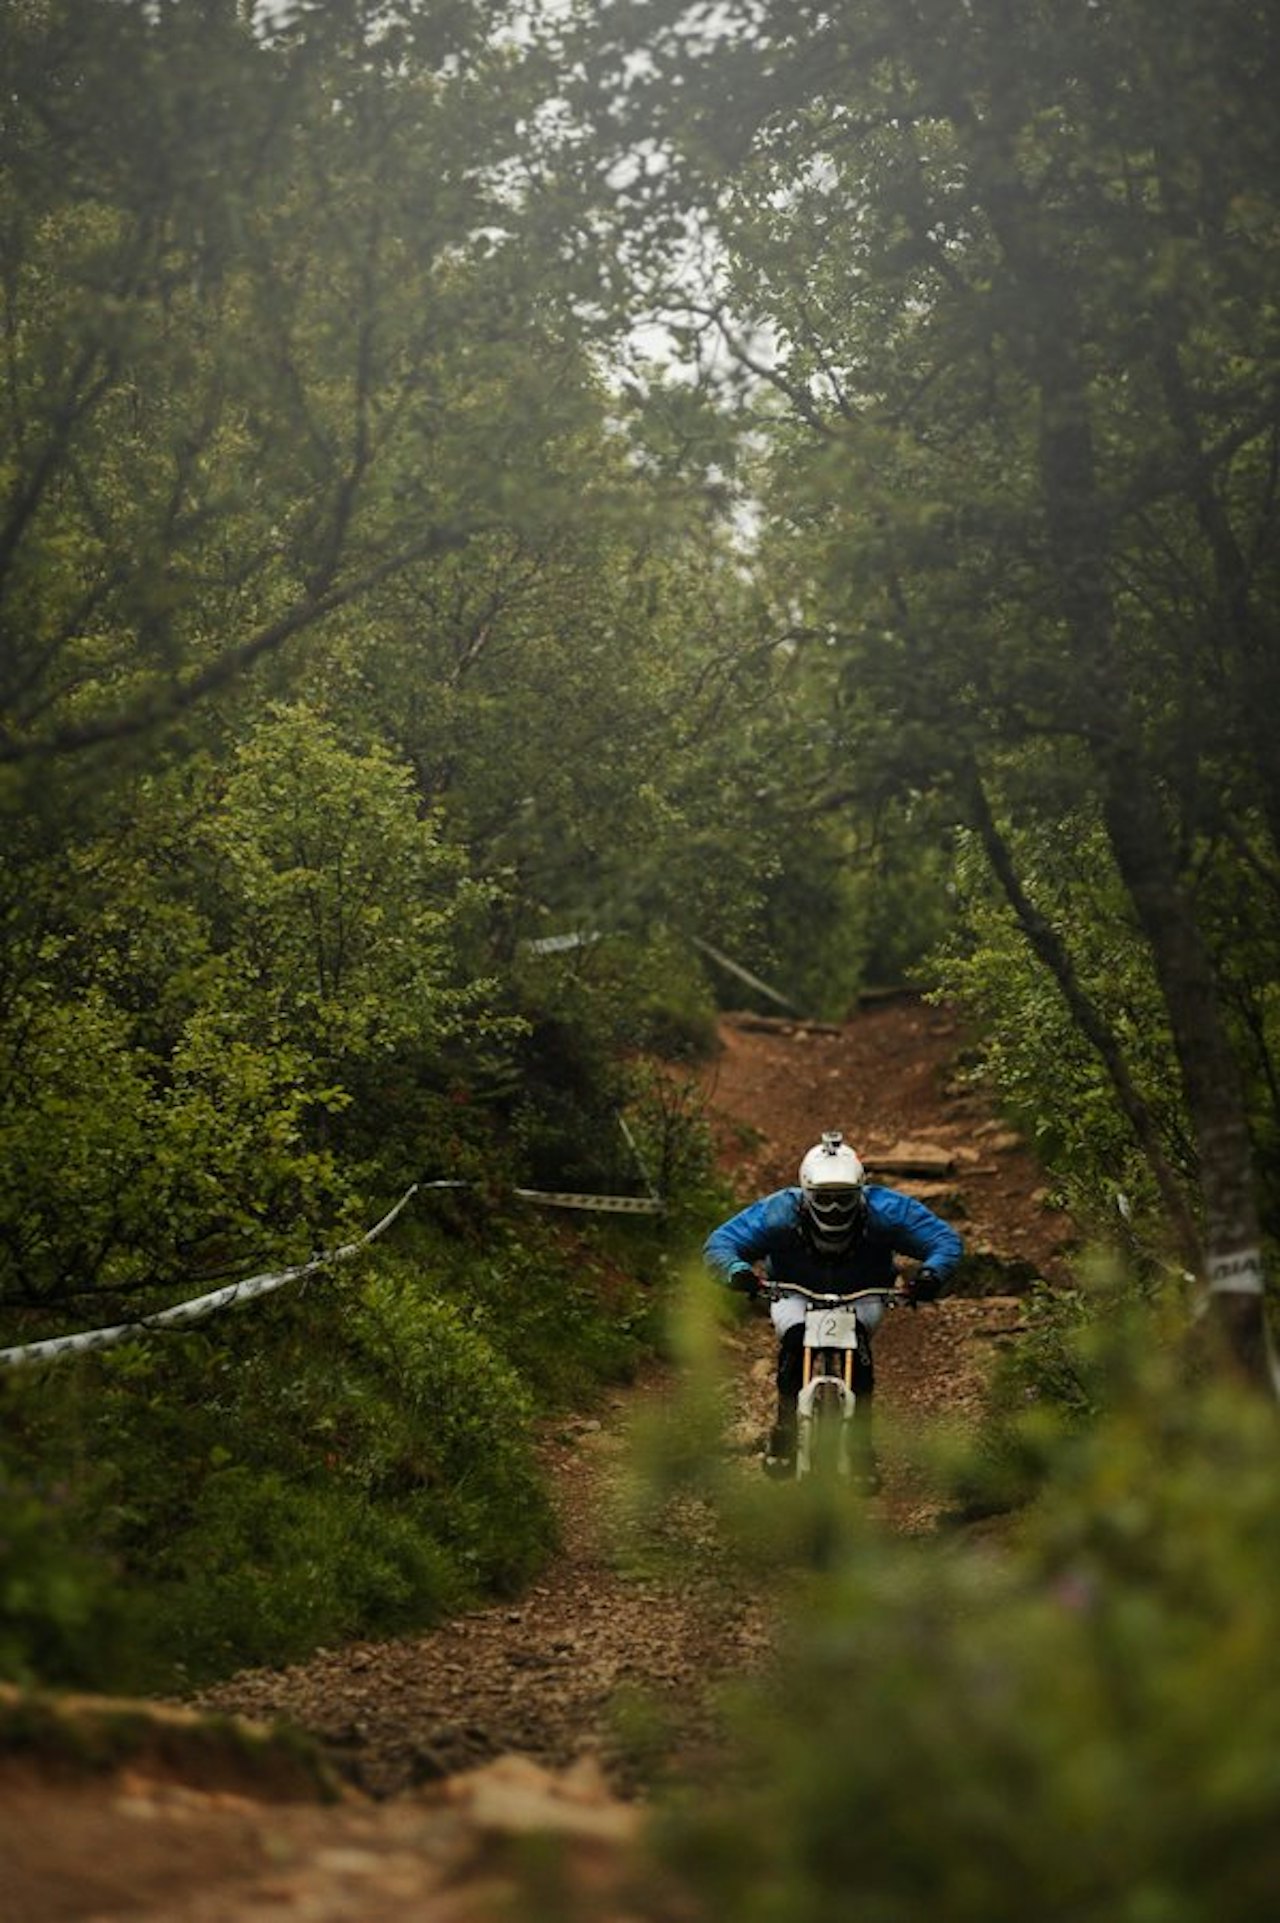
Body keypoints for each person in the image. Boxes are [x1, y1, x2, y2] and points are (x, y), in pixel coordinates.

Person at [703, 1129, 963, 1487]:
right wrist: (736, 1271)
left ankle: (860, 1444)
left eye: (844, 1199)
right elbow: (722, 1242)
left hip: (863, 1292)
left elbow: (943, 1239)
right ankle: (784, 1427)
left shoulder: (885, 1211)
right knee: (794, 1341)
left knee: (860, 1354)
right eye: (825, 1199)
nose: (835, 1209)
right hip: (794, 1291)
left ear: (860, 1194)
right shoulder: (779, 1213)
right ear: (806, 1195)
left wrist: (931, 1275)